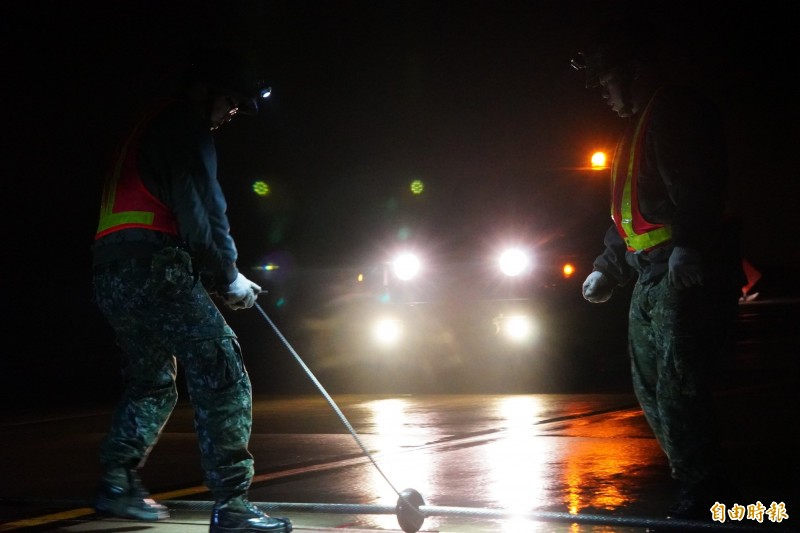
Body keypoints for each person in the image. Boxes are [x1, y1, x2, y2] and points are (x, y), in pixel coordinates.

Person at [91, 47, 293, 533]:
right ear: (206, 92)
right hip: (154, 270)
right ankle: (233, 508)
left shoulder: (150, 123)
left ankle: (116, 485)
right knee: (222, 367)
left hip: (110, 275)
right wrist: (228, 276)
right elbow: (202, 210)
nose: (231, 115)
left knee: (152, 383)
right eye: (230, 103)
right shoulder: (186, 127)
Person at [570, 15, 746, 525]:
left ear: (635, 70)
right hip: (648, 276)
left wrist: (690, 248)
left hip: (679, 275)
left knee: (680, 385)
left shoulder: (676, 113)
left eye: (606, 80)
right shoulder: (634, 131)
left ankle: (712, 494)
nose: (602, 92)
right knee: (652, 388)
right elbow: (629, 215)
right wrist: (608, 266)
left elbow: (700, 188)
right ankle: (701, 487)